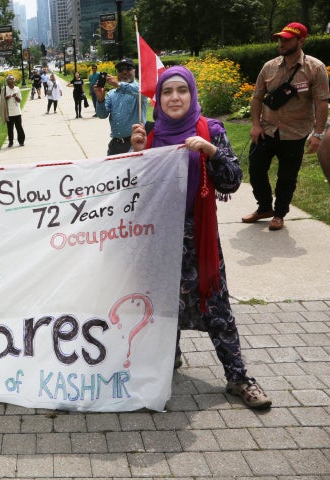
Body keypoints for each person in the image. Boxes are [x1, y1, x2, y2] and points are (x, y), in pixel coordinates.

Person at [130, 66, 271, 410]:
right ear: (158, 98)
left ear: (192, 94)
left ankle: (238, 377)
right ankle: (167, 360)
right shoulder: (149, 134)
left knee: (215, 305)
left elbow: (232, 182)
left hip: (199, 240)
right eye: (167, 92)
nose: (174, 97)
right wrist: (135, 153)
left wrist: (211, 152)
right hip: (159, 240)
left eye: (182, 90)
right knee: (161, 305)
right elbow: (133, 195)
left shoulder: (210, 131)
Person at [243, 22, 329, 231]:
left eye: (287, 39)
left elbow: (321, 102)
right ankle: (264, 207)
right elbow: (256, 98)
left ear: (301, 41)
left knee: (287, 177)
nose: (281, 42)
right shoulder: (269, 67)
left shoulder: (315, 68)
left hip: (295, 132)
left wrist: (317, 133)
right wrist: (255, 125)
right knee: (255, 169)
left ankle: (279, 214)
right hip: (267, 129)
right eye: (280, 39)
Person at [94, 58, 148, 155]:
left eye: (128, 68)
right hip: (115, 144)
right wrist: (100, 99)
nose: (124, 72)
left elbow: (143, 94)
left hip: (135, 143)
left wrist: (119, 84)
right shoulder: (111, 94)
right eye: (120, 70)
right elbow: (102, 115)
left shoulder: (139, 90)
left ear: (134, 70)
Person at [0, 75, 25, 148]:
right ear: (7, 81)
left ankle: (21, 141)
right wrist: (8, 97)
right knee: (10, 129)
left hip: (17, 112)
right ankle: (10, 142)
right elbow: (2, 100)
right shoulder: (5, 89)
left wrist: (15, 96)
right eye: (10, 79)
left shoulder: (17, 88)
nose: (11, 80)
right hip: (9, 113)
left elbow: (19, 100)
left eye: (13, 79)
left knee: (19, 127)